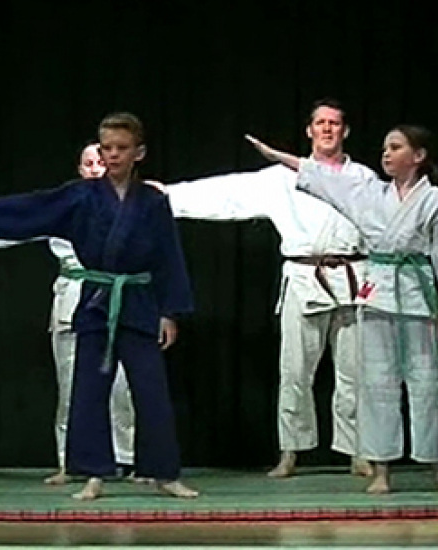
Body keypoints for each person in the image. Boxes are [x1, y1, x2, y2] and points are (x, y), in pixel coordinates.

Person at [0, 112, 197, 500]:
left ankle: (164, 472)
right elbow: (33, 209)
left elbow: (169, 257)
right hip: (96, 301)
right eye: (106, 148)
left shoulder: (154, 201)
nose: (112, 155)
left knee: (151, 390)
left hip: (139, 300)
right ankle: (93, 474)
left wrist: (169, 312)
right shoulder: (82, 195)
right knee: (89, 389)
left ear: (139, 152)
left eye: (121, 148)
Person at [163, 99, 376, 478]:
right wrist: (166, 196)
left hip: (352, 277)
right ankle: (291, 451)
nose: (327, 129)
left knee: (353, 373)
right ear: (309, 130)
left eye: (335, 123)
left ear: (345, 131)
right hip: (303, 277)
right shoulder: (280, 178)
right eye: (320, 123)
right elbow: (226, 195)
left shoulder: (363, 178)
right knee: (294, 371)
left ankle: (358, 451)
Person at [247, 125, 438, 494]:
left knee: (426, 381)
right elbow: (323, 180)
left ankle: (432, 462)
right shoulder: (370, 194)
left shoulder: (433, 200)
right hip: (377, 290)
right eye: (384, 147)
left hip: (418, 294)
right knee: (376, 382)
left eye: (395, 148)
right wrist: (276, 157)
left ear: (418, 156)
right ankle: (381, 469)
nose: (385, 154)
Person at [0, 143, 139, 485]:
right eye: (89, 163)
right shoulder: (65, 206)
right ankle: (70, 461)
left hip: (120, 296)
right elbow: (17, 226)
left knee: (122, 386)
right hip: (74, 296)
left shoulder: (135, 205)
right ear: (80, 169)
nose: (95, 168)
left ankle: (126, 458)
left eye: (102, 162)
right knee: (72, 384)